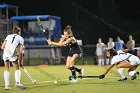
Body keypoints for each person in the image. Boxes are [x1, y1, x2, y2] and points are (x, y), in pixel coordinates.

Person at [1, 26, 25, 90]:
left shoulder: (8, 36)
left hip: (5, 52)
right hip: (12, 52)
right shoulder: (21, 38)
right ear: (19, 32)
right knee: (17, 69)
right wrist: (20, 62)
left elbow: (2, 47)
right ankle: (17, 82)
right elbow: (20, 52)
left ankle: (7, 86)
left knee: (6, 69)